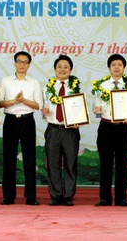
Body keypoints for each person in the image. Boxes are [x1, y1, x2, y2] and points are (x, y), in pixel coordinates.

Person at [92, 53, 127, 207]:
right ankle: (105, 198)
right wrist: (96, 109)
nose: (117, 68)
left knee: (121, 164)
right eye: (113, 65)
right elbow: (97, 107)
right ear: (109, 68)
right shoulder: (102, 85)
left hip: (123, 128)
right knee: (105, 164)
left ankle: (121, 198)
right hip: (106, 127)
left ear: (124, 68)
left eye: (120, 65)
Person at [0, 51, 42, 206]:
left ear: (29, 65)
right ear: (14, 63)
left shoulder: (34, 83)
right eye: (19, 61)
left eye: (25, 62)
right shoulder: (5, 81)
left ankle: (31, 196)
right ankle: (8, 196)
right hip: (10, 121)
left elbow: (38, 105)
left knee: (29, 158)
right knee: (9, 158)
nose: (22, 64)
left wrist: (23, 100)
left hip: (27, 121)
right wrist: (13, 101)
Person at [42, 55, 82, 206]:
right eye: (59, 66)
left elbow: (79, 108)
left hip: (70, 131)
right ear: (55, 69)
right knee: (53, 164)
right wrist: (44, 111)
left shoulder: (75, 87)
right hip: (53, 129)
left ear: (70, 70)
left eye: (66, 67)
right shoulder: (47, 88)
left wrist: (78, 120)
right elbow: (45, 107)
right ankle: (56, 195)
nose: (62, 69)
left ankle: (69, 195)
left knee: (71, 163)